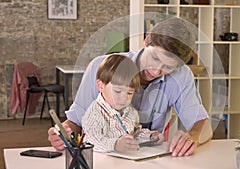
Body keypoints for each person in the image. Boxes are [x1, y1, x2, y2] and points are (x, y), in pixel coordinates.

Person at [48, 17, 212, 157]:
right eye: (154, 57)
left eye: (168, 67)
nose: (156, 71)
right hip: (102, 157)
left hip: (150, 159)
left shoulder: (181, 75)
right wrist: (65, 132)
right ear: (146, 40)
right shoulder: (100, 66)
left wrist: (193, 136)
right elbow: (76, 122)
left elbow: (202, 125)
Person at [82, 54, 164, 152]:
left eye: (130, 93)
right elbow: (92, 141)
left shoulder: (130, 112)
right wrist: (116, 145)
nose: (124, 98)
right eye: (117, 91)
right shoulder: (94, 114)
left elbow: (136, 133)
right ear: (100, 86)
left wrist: (150, 136)